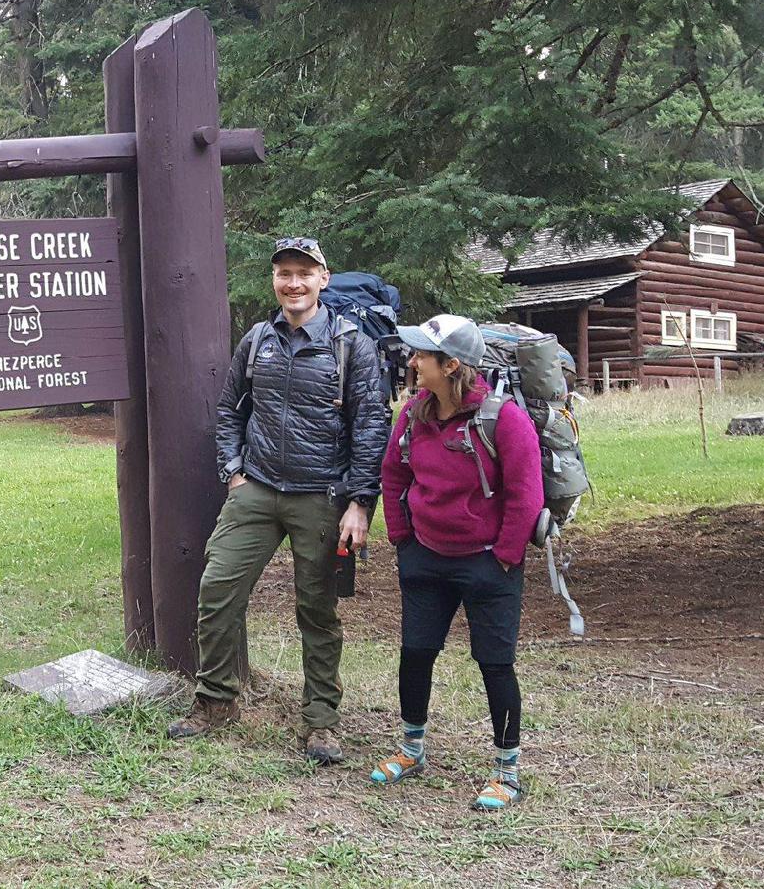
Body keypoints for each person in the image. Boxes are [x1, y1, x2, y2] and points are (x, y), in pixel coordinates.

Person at [169, 236, 388, 764]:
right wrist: (233, 473)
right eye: (284, 273)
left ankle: (320, 722)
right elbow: (229, 412)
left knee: (317, 610)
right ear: (275, 280)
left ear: (323, 279)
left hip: (321, 496)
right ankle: (217, 700)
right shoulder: (258, 340)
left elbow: (371, 425)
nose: (293, 283)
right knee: (217, 589)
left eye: (303, 273)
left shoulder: (349, 343)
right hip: (257, 489)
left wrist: (360, 503)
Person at [372, 313, 543, 810]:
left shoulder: (503, 418)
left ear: (450, 365)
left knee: (495, 664)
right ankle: (411, 750)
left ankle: (507, 772)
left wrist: (506, 557)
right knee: (416, 652)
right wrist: (404, 540)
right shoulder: (414, 413)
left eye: (422, 355)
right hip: (425, 557)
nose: (413, 361)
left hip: (488, 563)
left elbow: (525, 495)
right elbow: (393, 474)